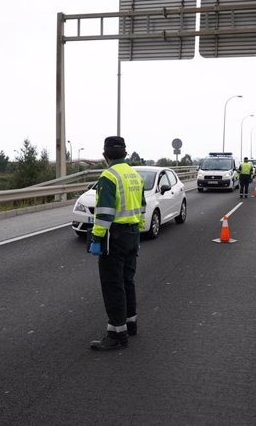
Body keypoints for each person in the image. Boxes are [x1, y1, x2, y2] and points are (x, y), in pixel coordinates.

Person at [88, 136, 146, 351]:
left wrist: (96, 238)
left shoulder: (108, 176)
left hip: (114, 236)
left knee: (112, 284)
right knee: (127, 280)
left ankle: (117, 333)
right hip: (132, 234)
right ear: (125, 154)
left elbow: (104, 214)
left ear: (105, 156)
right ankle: (131, 323)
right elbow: (141, 208)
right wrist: (137, 232)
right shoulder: (135, 175)